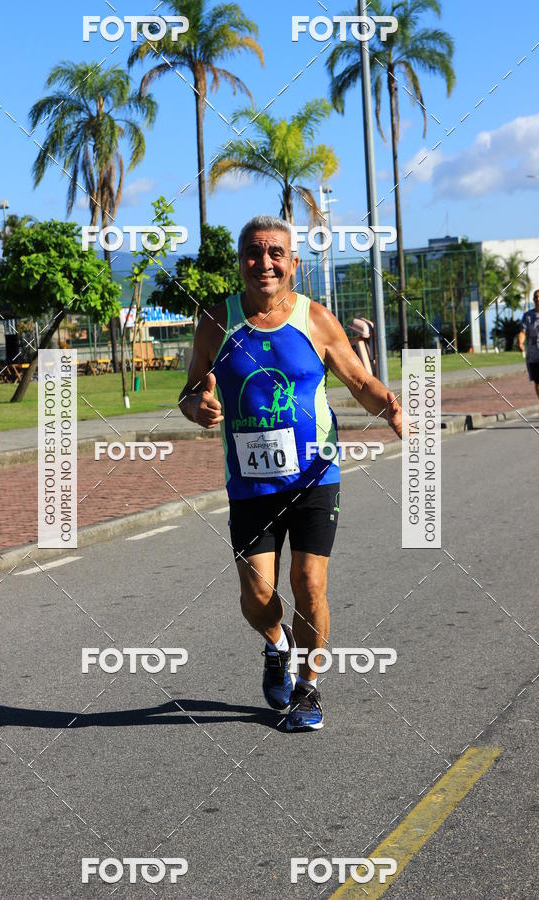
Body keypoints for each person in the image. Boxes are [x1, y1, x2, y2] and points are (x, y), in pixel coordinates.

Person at [179, 215, 402, 731]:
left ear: (293, 263)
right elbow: (192, 391)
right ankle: (277, 646)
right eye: (254, 254)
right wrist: (200, 407)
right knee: (258, 596)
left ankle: (308, 689)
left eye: (276, 253)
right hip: (251, 484)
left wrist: (391, 406)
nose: (265, 263)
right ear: (240, 264)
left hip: (315, 477)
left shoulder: (317, 319)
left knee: (309, 582)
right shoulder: (216, 321)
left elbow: (359, 380)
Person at [518, 289, 539, 401]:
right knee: (537, 382)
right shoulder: (528, 316)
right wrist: (520, 342)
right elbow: (523, 331)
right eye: (536, 297)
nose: (538, 299)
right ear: (533, 299)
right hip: (533, 355)